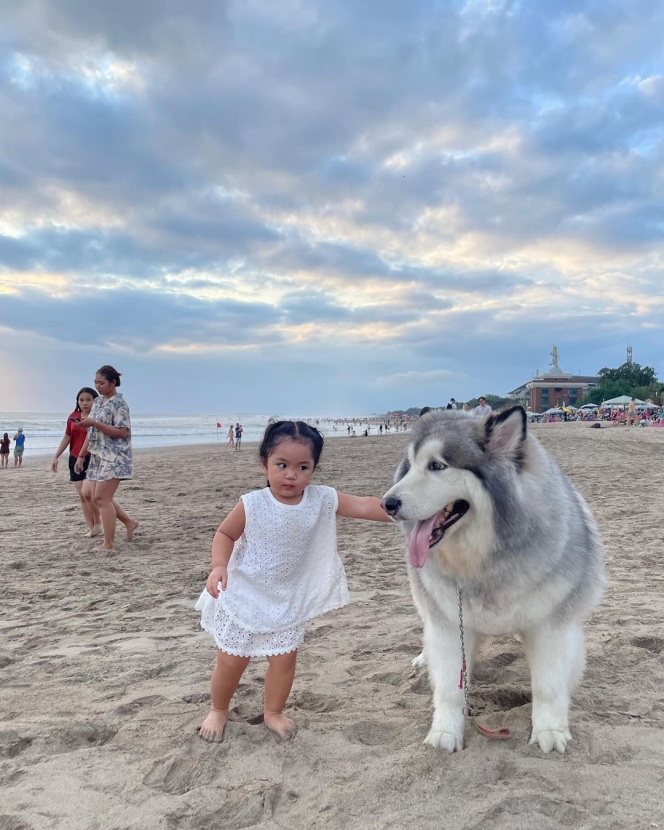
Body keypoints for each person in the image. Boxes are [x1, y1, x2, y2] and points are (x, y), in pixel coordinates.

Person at [195, 420, 391, 742]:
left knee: (284, 661)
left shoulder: (321, 499)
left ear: (314, 468)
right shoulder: (252, 503)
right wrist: (219, 566)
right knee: (231, 661)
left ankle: (273, 712)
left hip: (286, 597)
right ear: (265, 464)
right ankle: (218, 709)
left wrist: (404, 510)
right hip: (243, 592)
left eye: (303, 467)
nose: (291, 475)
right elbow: (225, 534)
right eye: (282, 465)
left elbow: (364, 504)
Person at [74, 365, 138, 551]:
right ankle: (129, 523)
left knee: (102, 498)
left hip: (115, 455)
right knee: (95, 496)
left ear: (113, 382)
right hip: (97, 456)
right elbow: (91, 432)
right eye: (96, 382)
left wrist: (95, 422)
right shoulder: (99, 402)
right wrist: (81, 455)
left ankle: (108, 543)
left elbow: (122, 432)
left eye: (101, 383)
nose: (98, 386)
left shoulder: (119, 404)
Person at [51, 387, 102, 536]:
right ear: (77, 401)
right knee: (82, 496)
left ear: (95, 401)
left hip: (92, 458)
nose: (84, 403)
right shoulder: (73, 416)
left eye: (88, 400)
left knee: (89, 495)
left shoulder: (96, 418)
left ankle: (98, 522)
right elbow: (67, 437)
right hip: (74, 457)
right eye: (81, 400)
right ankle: (91, 527)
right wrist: (56, 456)